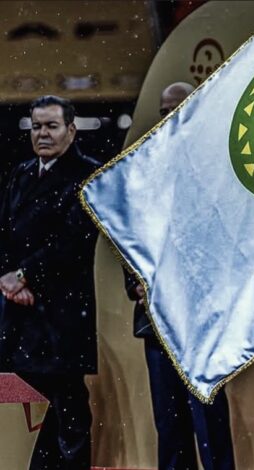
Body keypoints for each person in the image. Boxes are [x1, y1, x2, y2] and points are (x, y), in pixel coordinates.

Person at [124, 81, 235, 470]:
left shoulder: (220, 168)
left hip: (201, 323)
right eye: (164, 111)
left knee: (211, 425)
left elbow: (228, 243)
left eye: (178, 108)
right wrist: (137, 282)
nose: (169, 117)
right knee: (169, 426)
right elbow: (130, 236)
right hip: (156, 321)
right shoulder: (145, 168)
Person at [0, 95, 100, 469]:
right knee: (31, 409)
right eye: (37, 126)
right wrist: (9, 280)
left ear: (71, 130)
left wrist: (24, 275)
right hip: (21, 315)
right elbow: (5, 232)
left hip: (64, 314)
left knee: (68, 408)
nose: (43, 133)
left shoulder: (89, 175)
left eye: (51, 126)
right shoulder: (21, 173)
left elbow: (74, 241)